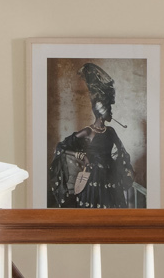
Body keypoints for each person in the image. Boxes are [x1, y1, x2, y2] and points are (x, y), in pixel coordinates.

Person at [50, 61, 143, 208]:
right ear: (100, 111)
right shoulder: (87, 131)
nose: (111, 112)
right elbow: (61, 147)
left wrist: (126, 170)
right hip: (93, 179)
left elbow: (122, 154)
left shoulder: (111, 131)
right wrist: (82, 156)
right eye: (108, 109)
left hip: (111, 178)